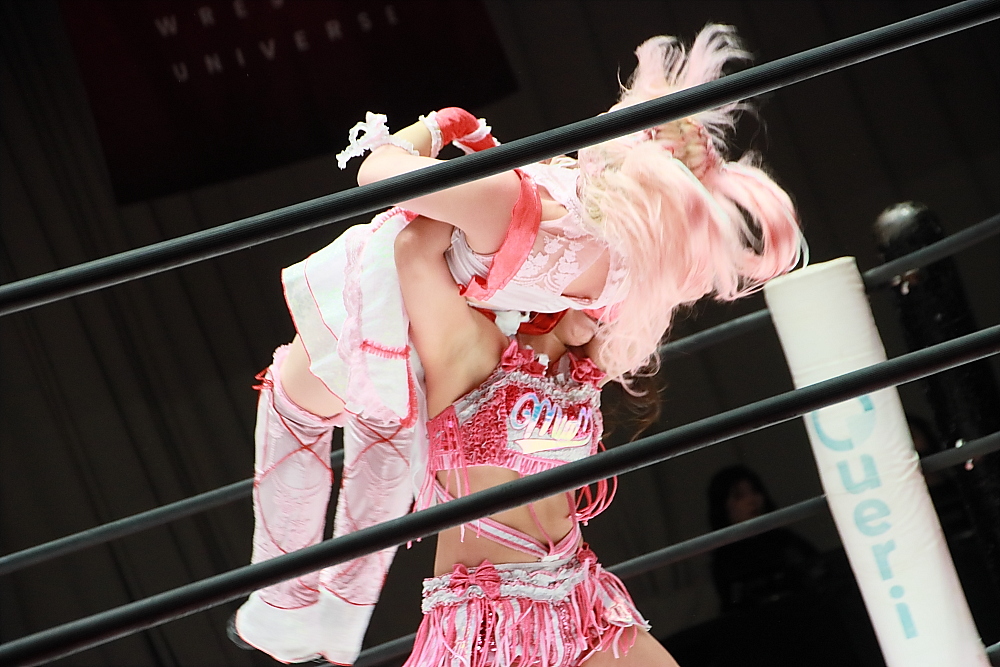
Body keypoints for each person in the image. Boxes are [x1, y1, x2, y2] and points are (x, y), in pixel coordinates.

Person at [232, 25, 805, 665]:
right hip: (486, 624)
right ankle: (285, 606)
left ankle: (291, 605)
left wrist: (464, 156)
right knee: (291, 401)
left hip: (581, 598)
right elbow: (410, 238)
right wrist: (456, 146)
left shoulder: (585, 351)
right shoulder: (471, 344)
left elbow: (653, 270)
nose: (598, 293)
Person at [707, 465, 820, 613]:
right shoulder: (724, 560)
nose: (752, 500)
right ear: (723, 506)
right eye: (739, 496)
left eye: (755, 491)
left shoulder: (785, 541)